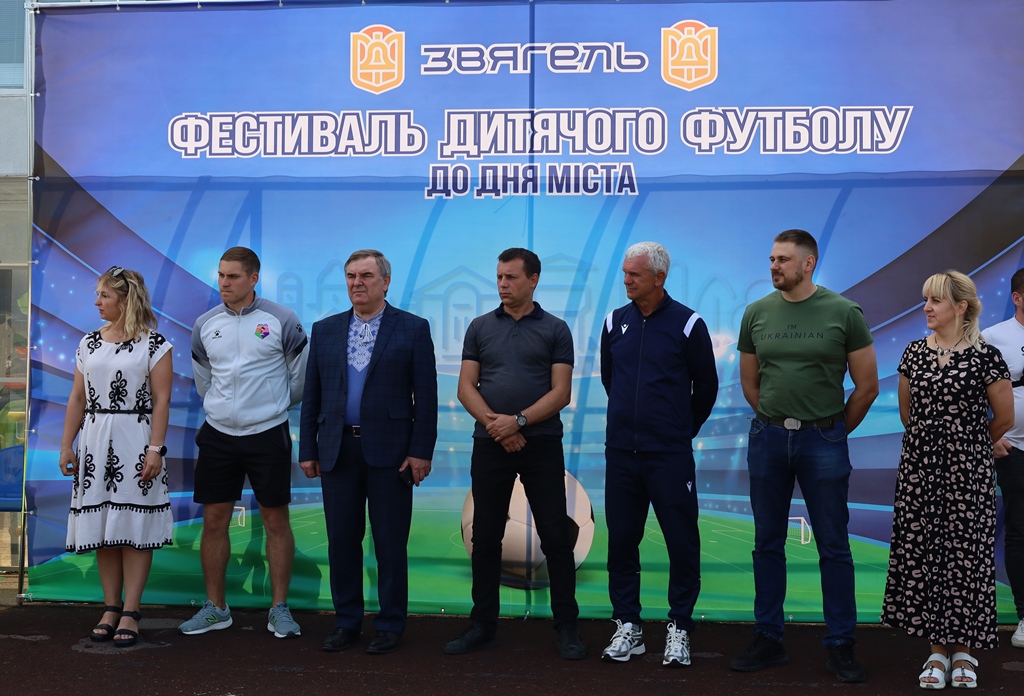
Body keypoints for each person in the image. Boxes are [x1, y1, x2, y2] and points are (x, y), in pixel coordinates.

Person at [733, 229, 878, 683]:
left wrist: (832, 431)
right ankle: (768, 639)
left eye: (783, 259)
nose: (773, 266)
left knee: (834, 546)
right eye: (772, 258)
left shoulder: (844, 312)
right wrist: (776, 421)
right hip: (769, 439)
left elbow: (867, 386)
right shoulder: (756, 313)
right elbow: (751, 383)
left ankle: (841, 644)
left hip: (823, 441)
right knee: (766, 543)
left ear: (808, 263)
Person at [443, 248, 585, 660]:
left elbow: (561, 392)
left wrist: (518, 422)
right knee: (486, 537)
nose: (503, 284)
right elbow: (465, 387)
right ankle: (483, 626)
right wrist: (498, 427)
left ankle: (567, 627)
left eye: (511, 277)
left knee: (556, 536)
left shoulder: (556, 329)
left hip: (542, 446)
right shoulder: (480, 327)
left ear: (533, 279)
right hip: (491, 445)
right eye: (499, 277)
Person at [299, 249, 438, 655]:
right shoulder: (325, 330)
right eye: (350, 276)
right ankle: (346, 622)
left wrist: (421, 451)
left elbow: (426, 397)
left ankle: (390, 625)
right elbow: (312, 395)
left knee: (390, 544)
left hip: (392, 454)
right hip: (337, 451)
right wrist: (308, 448)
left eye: (366, 275)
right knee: (342, 542)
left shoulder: (412, 328)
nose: (356, 283)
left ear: (385, 282)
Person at [882, 271, 1012, 689]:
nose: (926, 308)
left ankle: (964, 652)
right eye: (925, 299)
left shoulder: (986, 356)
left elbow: (1004, 417)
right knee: (926, 558)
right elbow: (908, 415)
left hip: (968, 476)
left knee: (965, 558)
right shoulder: (914, 353)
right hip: (919, 473)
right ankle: (936, 652)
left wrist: (969, 445)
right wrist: (934, 445)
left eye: (935, 300)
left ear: (961, 306)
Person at [598, 242, 719, 667]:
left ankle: (680, 627)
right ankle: (628, 626)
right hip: (621, 455)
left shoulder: (689, 324)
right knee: (621, 542)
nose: (626, 280)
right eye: (625, 273)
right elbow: (610, 379)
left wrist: (678, 430)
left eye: (634, 274)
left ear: (659, 278)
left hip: (669, 456)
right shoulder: (614, 322)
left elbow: (706, 387)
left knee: (681, 542)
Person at [179, 246, 308, 639]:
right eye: (221, 275)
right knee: (214, 521)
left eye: (233, 276)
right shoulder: (204, 324)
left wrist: (269, 409)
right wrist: (224, 411)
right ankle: (216, 608)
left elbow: (300, 380)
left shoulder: (282, 319)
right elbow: (204, 382)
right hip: (218, 435)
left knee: (275, 521)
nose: (224, 283)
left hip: (268, 433)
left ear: (254, 278)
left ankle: (279, 609)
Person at [59, 265, 173, 648]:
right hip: (94, 444)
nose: (97, 302)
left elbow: (162, 401)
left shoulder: (155, 345)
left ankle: (131, 611)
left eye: (104, 295)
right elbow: (78, 397)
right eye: (98, 294)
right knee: (104, 528)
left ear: (126, 299)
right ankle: (110, 607)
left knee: (133, 530)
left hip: (136, 442)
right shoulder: (88, 343)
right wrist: (67, 444)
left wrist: (155, 448)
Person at [981, 268, 1024, 651]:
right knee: (1020, 530)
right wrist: (990, 439)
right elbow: (970, 393)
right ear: (1017, 298)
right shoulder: (993, 337)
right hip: (1014, 450)